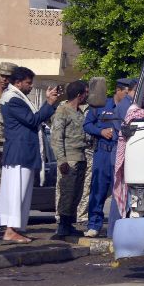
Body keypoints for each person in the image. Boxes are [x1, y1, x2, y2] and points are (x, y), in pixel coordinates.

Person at [0, 67, 59, 243]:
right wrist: (48, 103)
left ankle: (14, 229)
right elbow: (32, 120)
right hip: (19, 152)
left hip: (23, 151)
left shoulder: (18, 98)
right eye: (28, 82)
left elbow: (33, 118)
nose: (31, 86)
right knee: (16, 192)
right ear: (17, 82)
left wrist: (48, 103)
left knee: (22, 193)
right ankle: (10, 230)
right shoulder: (12, 99)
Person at [83, 78, 129, 237]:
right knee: (99, 188)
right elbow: (87, 125)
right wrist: (100, 132)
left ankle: (117, 227)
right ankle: (94, 224)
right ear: (119, 90)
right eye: (126, 93)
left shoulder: (130, 108)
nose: (129, 96)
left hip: (120, 152)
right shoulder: (100, 105)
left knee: (119, 190)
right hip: (103, 152)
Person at [51, 80, 90, 238]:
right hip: (69, 160)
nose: (88, 95)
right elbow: (56, 138)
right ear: (79, 95)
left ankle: (69, 224)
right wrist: (62, 160)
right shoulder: (63, 111)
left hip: (80, 157)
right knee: (67, 193)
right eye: (86, 92)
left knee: (76, 194)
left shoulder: (79, 113)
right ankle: (62, 226)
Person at [107, 77, 138, 237]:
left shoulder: (127, 104)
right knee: (120, 194)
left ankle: (116, 232)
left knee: (122, 194)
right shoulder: (127, 106)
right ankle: (115, 232)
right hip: (123, 154)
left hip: (123, 154)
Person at [0, 62, 18, 238]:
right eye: (2, 76)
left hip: (5, 151)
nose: (4, 79)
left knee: (0, 189)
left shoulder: (13, 98)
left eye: (8, 77)